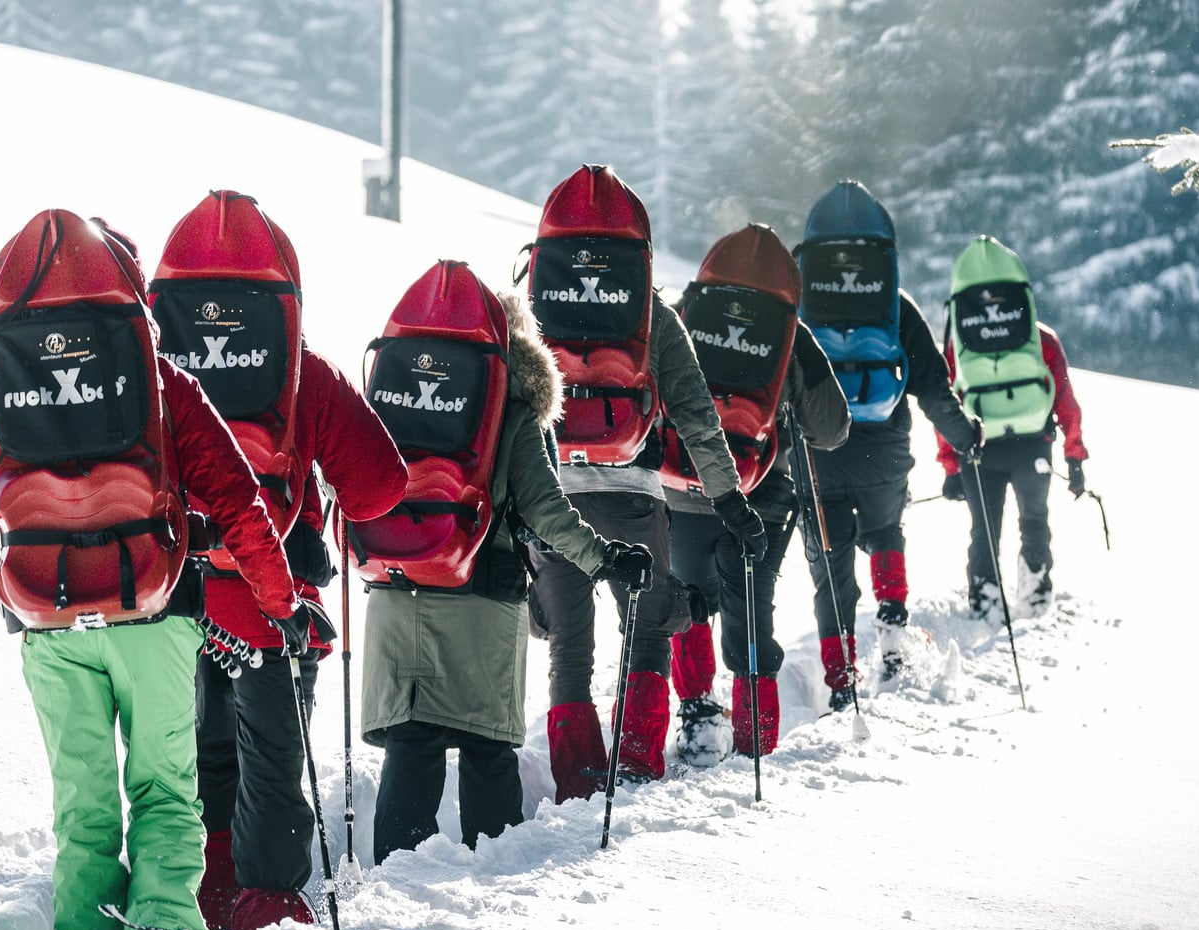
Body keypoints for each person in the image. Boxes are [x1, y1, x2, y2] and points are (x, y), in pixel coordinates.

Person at [0, 210, 312, 930]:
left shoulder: (3, 386)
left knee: (84, 813)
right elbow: (240, 506)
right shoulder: (163, 381)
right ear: (132, 301)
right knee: (167, 791)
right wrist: (282, 604)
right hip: (157, 613)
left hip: (49, 623)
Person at [154, 191, 409, 930]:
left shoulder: (155, 367)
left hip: (180, 595)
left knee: (202, 754)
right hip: (278, 606)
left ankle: (207, 897)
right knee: (270, 762)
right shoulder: (307, 374)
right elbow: (379, 486)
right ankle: (264, 923)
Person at [365, 275, 650, 858]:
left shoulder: (395, 384)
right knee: (486, 751)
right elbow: (545, 507)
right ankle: (491, 871)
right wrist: (603, 560)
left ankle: (394, 881)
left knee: (412, 746)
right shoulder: (512, 402)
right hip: (479, 595)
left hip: (397, 589)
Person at [527, 167, 761, 798]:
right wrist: (729, 498)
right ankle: (635, 765)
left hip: (554, 500)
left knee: (569, 650)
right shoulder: (651, 313)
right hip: (634, 495)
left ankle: (577, 782)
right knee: (648, 633)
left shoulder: (531, 303)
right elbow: (697, 418)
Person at [666, 229, 852, 763]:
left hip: (682, 486)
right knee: (752, 616)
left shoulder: (685, 313)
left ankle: (699, 718)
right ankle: (755, 744)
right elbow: (832, 427)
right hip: (761, 500)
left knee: (689, 604)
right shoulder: (792, 334)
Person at [795, 182, 982, 709]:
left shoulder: (802, 310)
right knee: (884, 534)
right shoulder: (895, 309)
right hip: (885, 455)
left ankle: (840, 682)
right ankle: (894, 634)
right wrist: (967, 438)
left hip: (817, 459)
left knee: (830, 574)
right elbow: (935, 391)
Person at [935, 236, 1088, 618]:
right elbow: (1065, 401)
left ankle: (985, 599)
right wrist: (1074, 456)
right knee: (1034, 521)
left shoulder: (961, 345)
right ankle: (1035, 594)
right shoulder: (1042, 340)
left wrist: (951, 465)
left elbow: (947, 403)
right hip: (1033, 444)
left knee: (983, 530)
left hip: (978, 447)